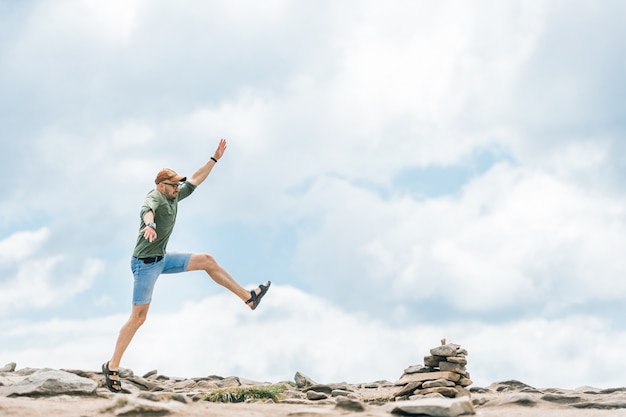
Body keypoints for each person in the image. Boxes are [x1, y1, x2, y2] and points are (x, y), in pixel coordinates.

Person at [102, 138, 270, 393]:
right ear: (161, 186)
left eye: (178, 184)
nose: (178, 187)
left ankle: (248, 298)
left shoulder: (174, 196)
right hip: (145, 265)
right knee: (138, 318)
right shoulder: (155, 199)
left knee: (207, 261)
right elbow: (146, 211)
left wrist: (214, 159)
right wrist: (149, 225)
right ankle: (112, 366)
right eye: (173, 185)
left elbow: (196, 178)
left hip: (162, 258)